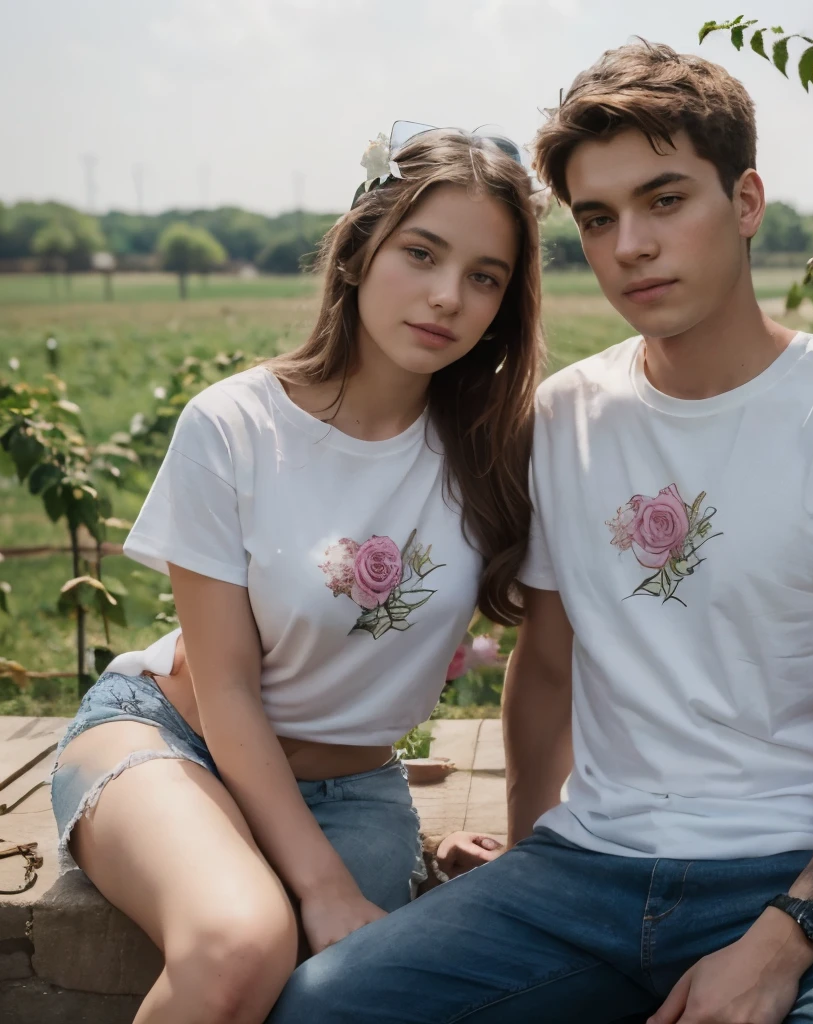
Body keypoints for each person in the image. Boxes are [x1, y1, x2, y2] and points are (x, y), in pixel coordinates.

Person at [268, 41, 813, 1024]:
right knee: (324, 1008)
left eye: (664, 201)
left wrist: (780, 943)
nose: (630, 246)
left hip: (810, 880)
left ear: (744, 203)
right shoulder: (565, 416)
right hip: (587, 868)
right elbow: (548, 664)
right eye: (598, 219)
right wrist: (526, 849)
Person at [49, 124, 545, 1024]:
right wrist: (315, 884)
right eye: (421, 254)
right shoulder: (235, 426)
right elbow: (230, 690)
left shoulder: (498, 454)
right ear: (359, 251)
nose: (446, 297)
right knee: (244, 944)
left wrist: (543, 845)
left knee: (352, 996)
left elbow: (559, 658)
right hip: (174, 744)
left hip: (357, 788)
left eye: (485, 276)